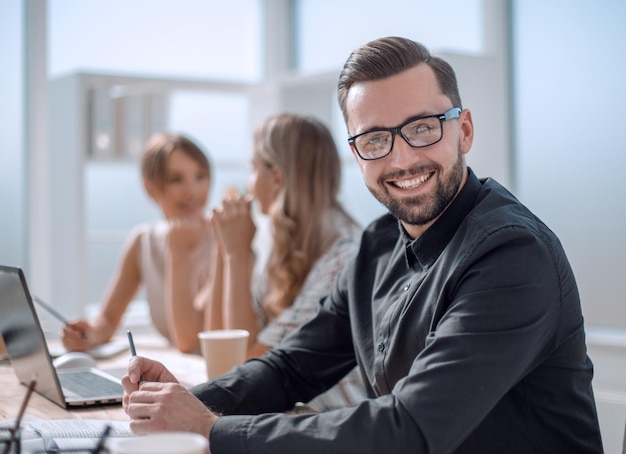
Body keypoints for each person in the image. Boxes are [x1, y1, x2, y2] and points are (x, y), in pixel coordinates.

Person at [121, 37, 603, 453]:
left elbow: (409, 430)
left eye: (422, 127)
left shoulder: (512, 254)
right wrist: (190, 400)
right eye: (375, 139)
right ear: (356, 154)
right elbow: (292, 367)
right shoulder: (376, 246)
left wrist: (209, 429)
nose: (402, 158)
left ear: (465, 131)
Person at [207, 113, 366, 411]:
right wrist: (223, 249)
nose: (249, 182)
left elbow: (244, 367)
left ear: (277, 177)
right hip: (296, 418)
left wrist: (238, 255)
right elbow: (219, 351)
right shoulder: (286, 245)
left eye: (253, 168)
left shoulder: (344, 259)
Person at [61, 132, 217, 354]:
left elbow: (193, 341)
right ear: (150, 188)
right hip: (181, 370)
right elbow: (108, 318)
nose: (192, 191)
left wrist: (178, 252)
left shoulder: (225, 240)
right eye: (176, 179)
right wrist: (89, 333)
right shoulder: (144, 240)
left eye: (200, 176)